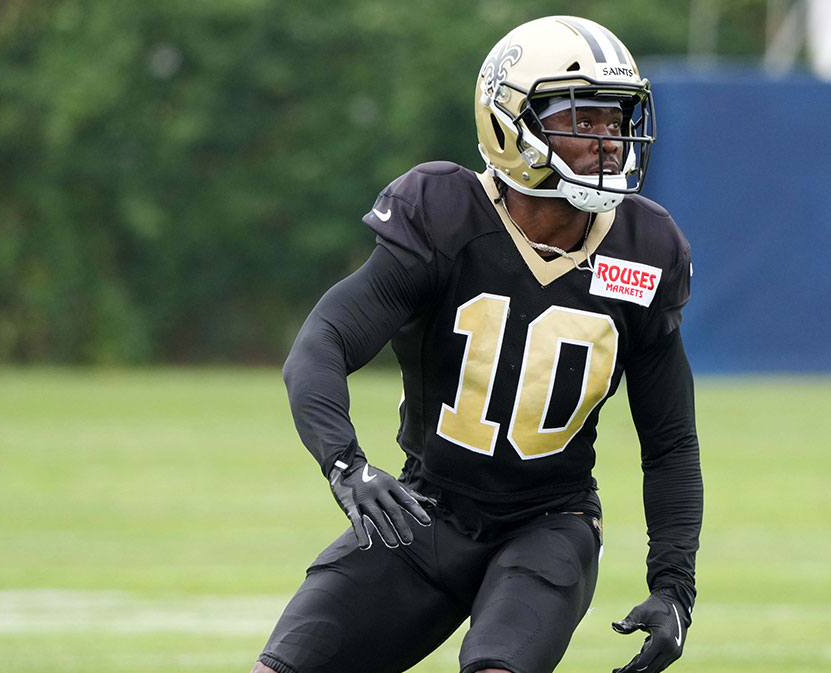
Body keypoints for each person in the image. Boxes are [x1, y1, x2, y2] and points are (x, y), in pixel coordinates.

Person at [252, 15, 702, 673]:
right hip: (425, 511)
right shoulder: (444, 214)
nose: (607, 141)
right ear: (510, 123)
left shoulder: (646, 248)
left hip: (551, 522)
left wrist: (673, 586)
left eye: (616, 119)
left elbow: (670, 441)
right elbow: (323, 341)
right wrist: (346, 464)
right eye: (582, 119)